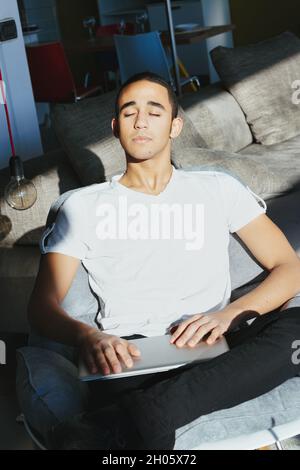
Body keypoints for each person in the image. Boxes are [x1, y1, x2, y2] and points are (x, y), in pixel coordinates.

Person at [28, 72, 300, 450]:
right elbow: (41, 309)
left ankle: (123, 422)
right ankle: (149, 415)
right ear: (115, 127)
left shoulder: (217, 187)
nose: (141, 121)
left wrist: (228, 315)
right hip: (134, 356)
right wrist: (88, 336)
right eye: (129, 112)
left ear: (175, 126)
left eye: (154, 112)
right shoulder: (83, 206)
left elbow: (290, 266)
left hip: (216, 342)